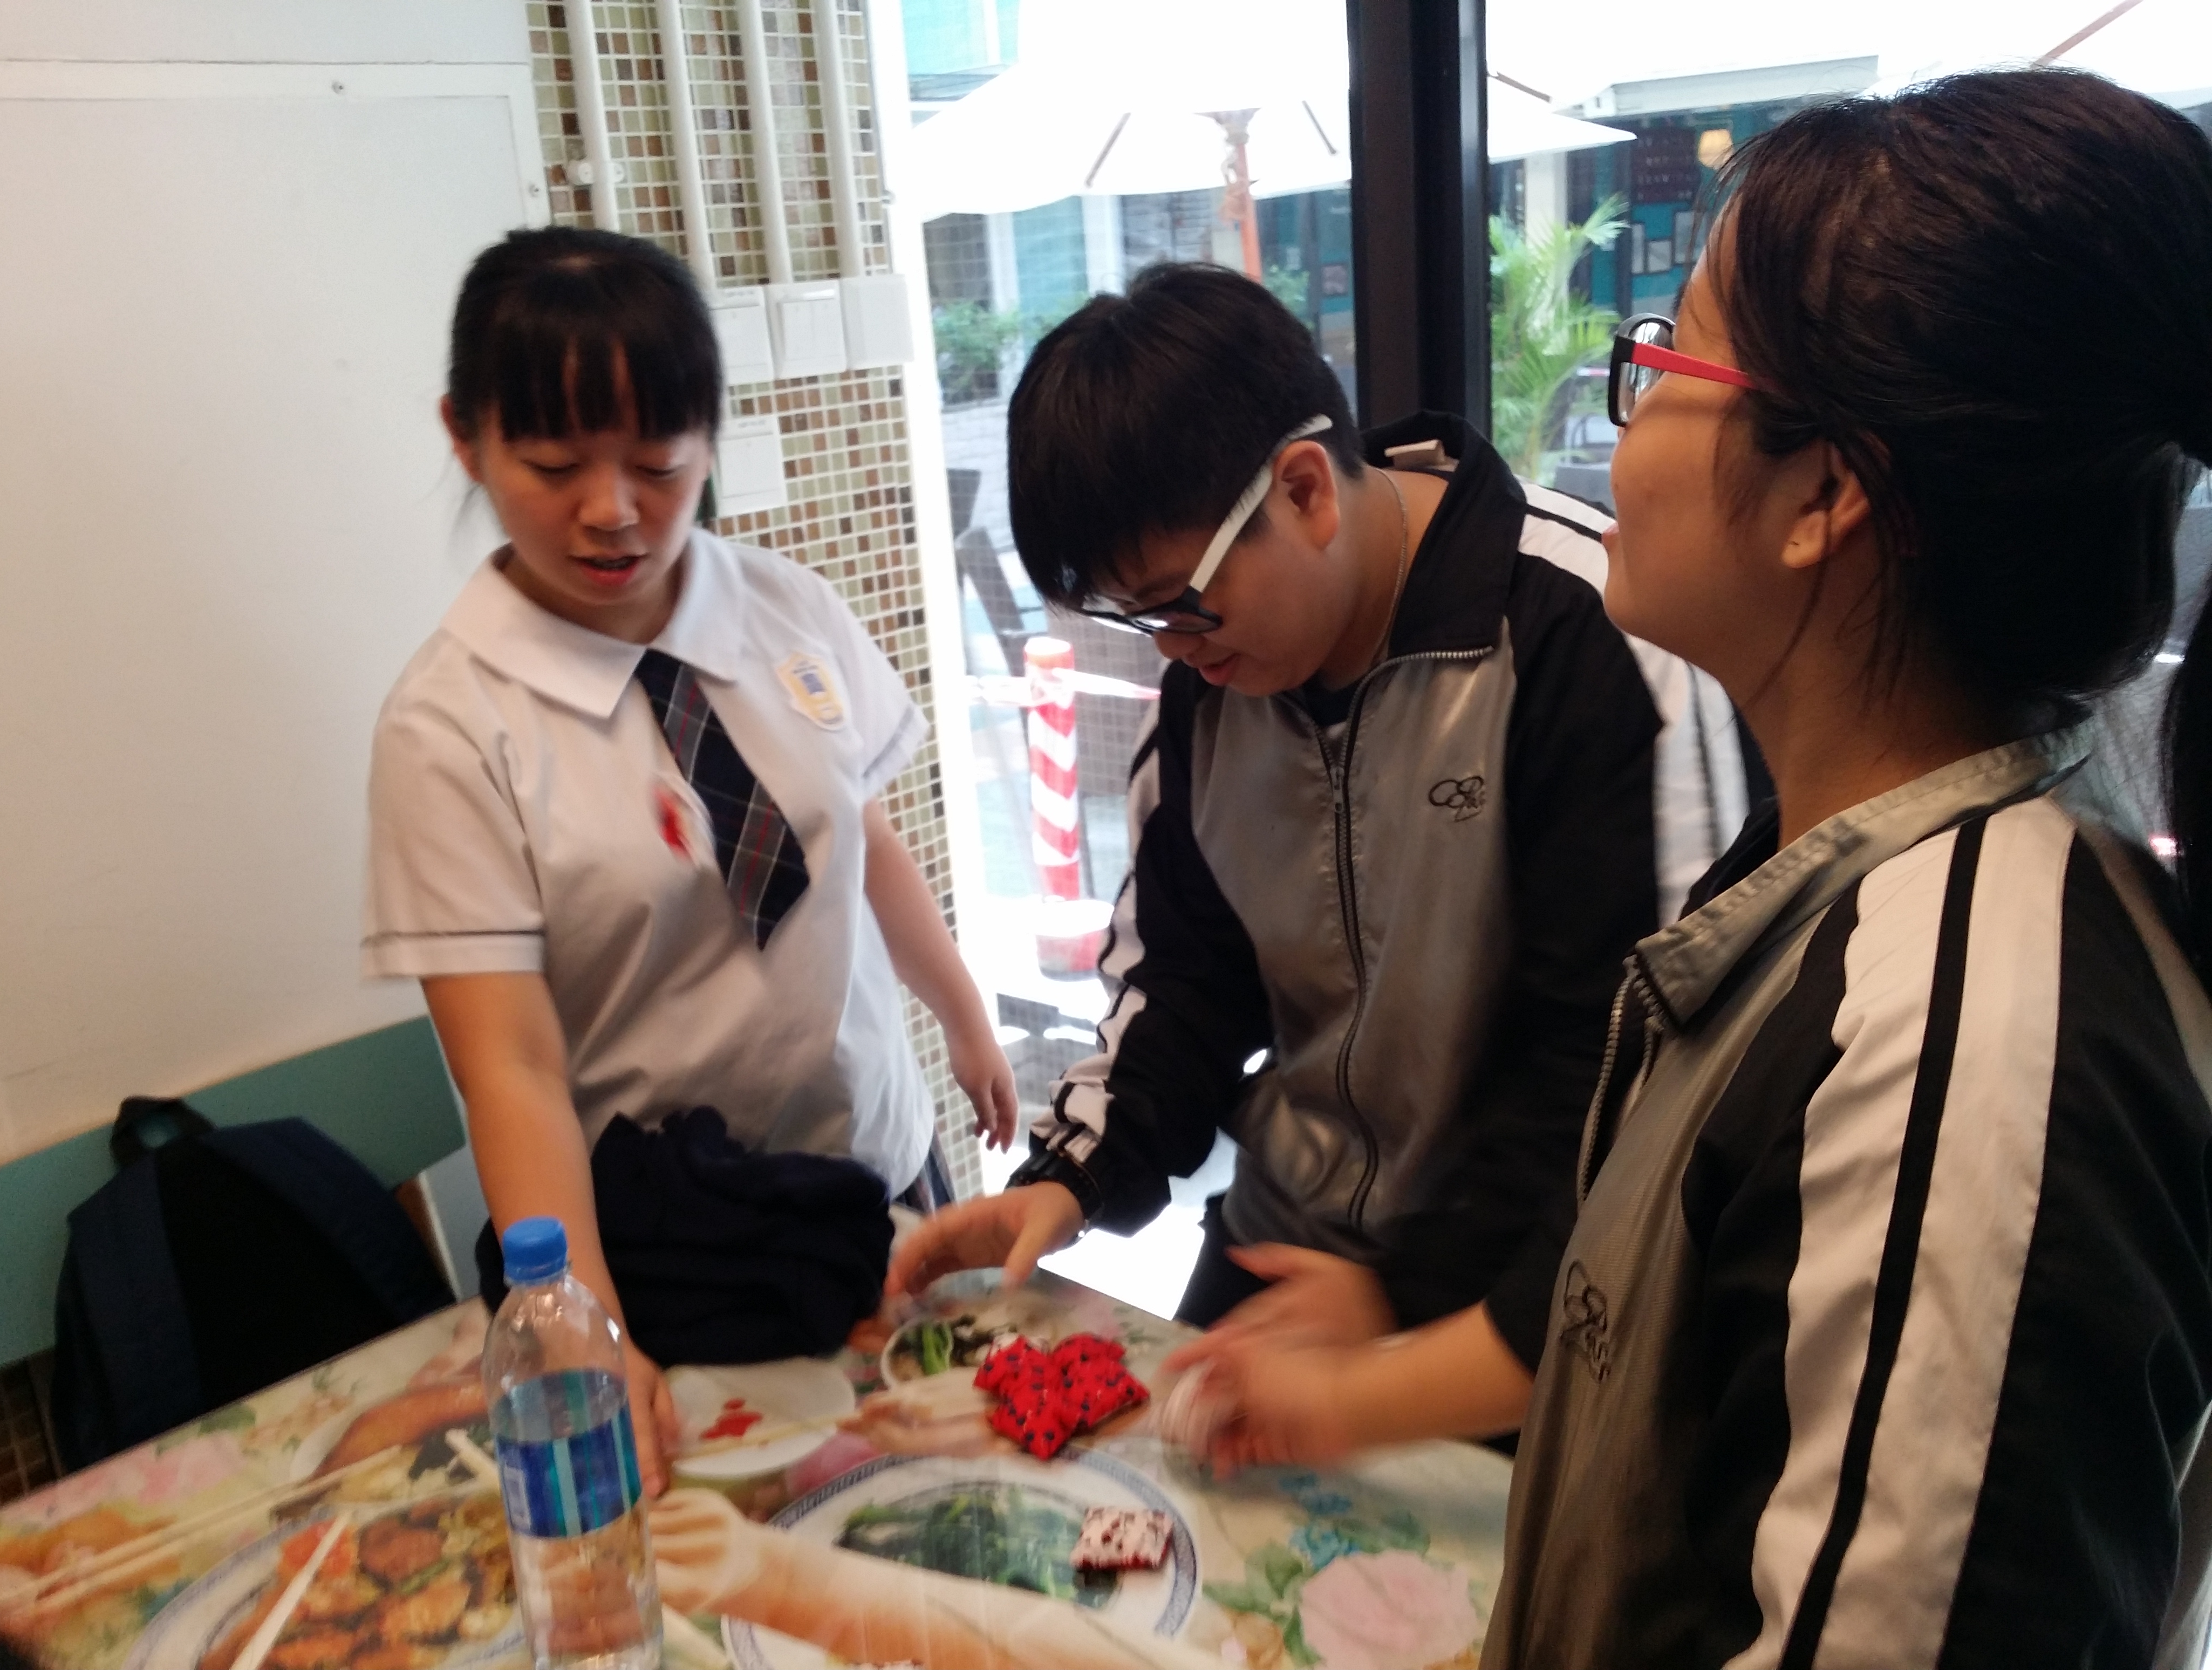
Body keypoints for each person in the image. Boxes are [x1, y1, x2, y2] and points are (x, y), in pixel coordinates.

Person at [1176, 69, 2212, 1668]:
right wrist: (1359, 1385)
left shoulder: (1961, 1046)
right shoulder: (1831, 873)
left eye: (1665, 360)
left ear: (1825, 496)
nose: (1628, 413)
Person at [889, 262, 1746, 1409]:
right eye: (1134, 618)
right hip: (1290, 1247)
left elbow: (1633, 1068)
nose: (1172, 651)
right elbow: (1185, 985)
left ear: (1302, 491)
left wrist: (1397, 1299)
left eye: (1179, 603)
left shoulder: (1582, 633)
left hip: (1529, 1285)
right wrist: (1072, 1177)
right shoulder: (1211, 696)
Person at [363, 227, 1015, 1493]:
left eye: (659, 463)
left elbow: (862, 838)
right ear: (466, 438)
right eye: (555, 465)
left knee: (942, 1503)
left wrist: (963, 1015)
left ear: (709, 438)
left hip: (877, 1176)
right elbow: (509, 1067)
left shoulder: (786, 607)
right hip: (675, 1252)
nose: (613, 510)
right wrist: (589, 1336)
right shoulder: (449, 728)